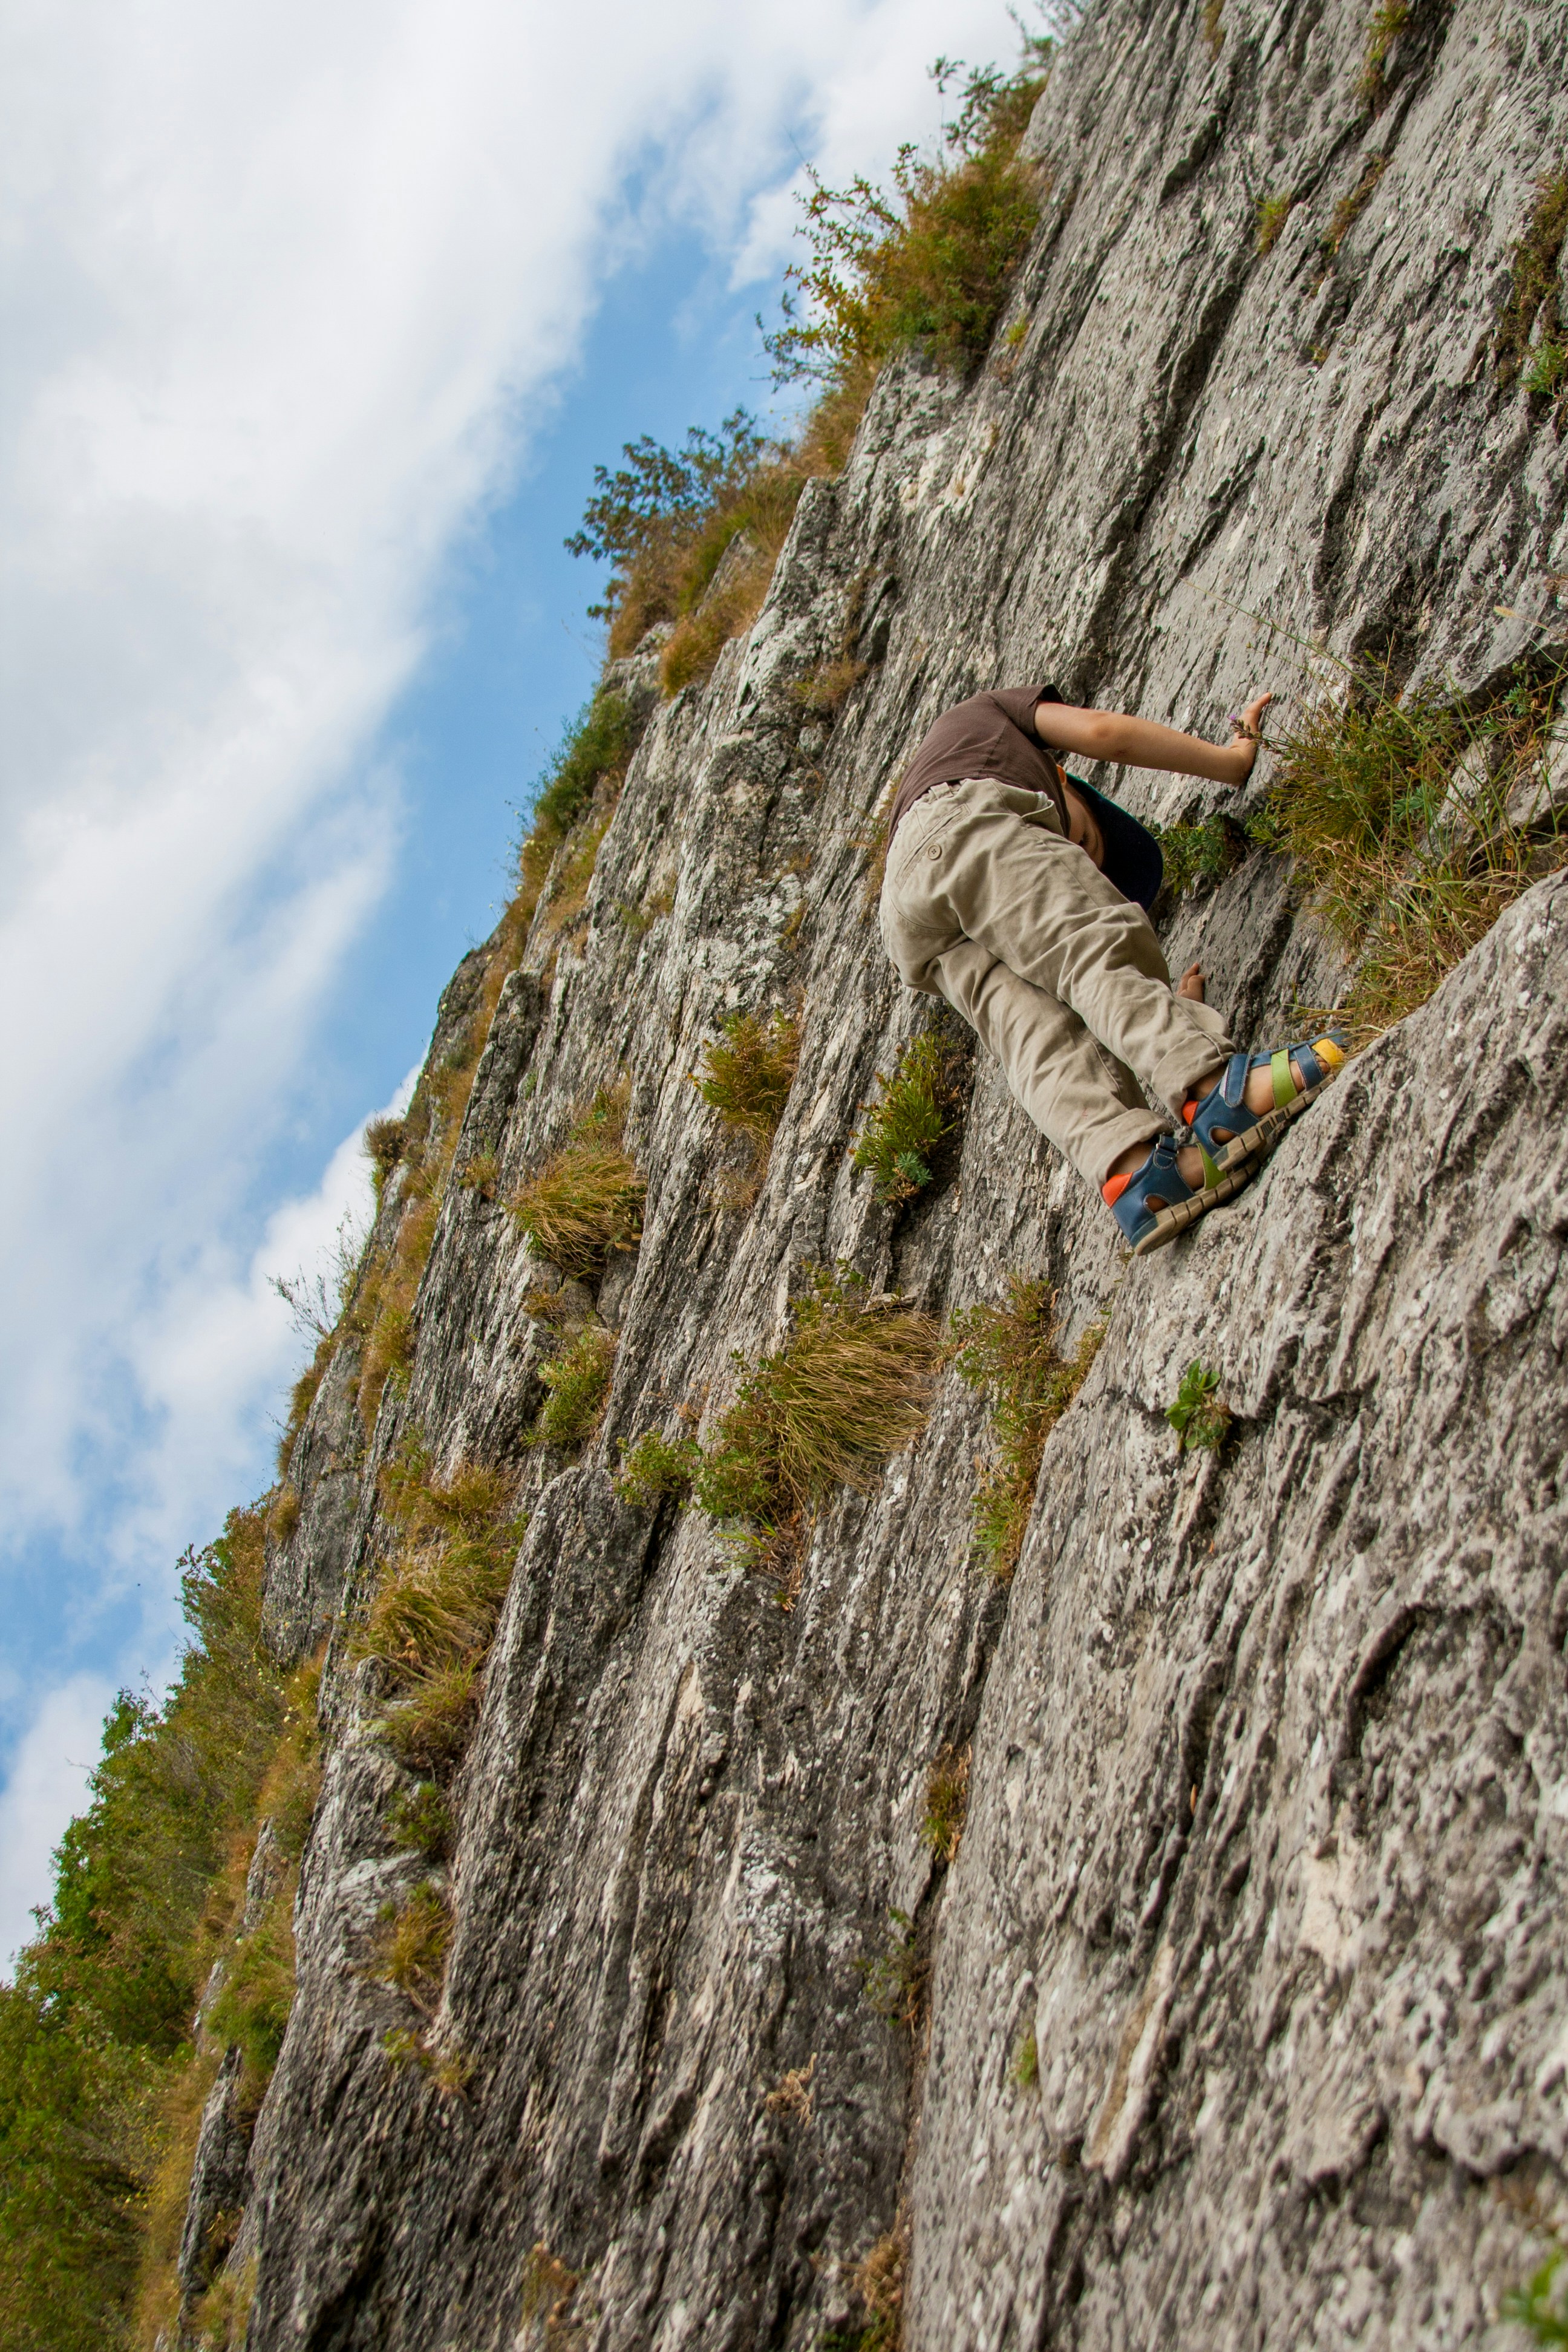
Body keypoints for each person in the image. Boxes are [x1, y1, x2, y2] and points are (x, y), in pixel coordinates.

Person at [878, 684, 1346, 1254]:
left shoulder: (944, 776)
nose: (1071, 854)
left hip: (905, 915)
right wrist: (1232, 760)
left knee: (1038, 1041)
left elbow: (1074, 1008)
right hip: (961, 821)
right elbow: (1106, 734)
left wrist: (1169, 1000)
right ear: (1066, 784)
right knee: (1091, 945)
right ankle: (1219, 1088)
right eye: (1078, 841)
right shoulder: (995, 720)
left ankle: (1140, 1176)